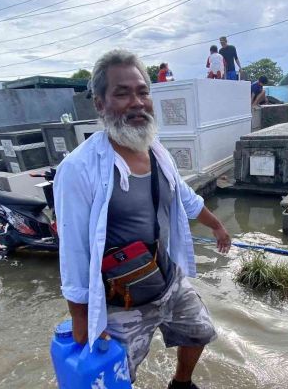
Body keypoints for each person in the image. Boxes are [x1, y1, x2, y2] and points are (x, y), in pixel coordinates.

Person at [55, 49, 231, 388]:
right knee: (115, 373)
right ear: (100, 104)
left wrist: (217, 225)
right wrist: (81, 318)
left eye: (143, 92)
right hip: (121, 297)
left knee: (199, 331)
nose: (137, 102)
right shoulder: (79, 168)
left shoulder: (156, 150)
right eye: (122, 93)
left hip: (167, 278)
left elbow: (184, 198)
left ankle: (181, 383)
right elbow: (73, 248)